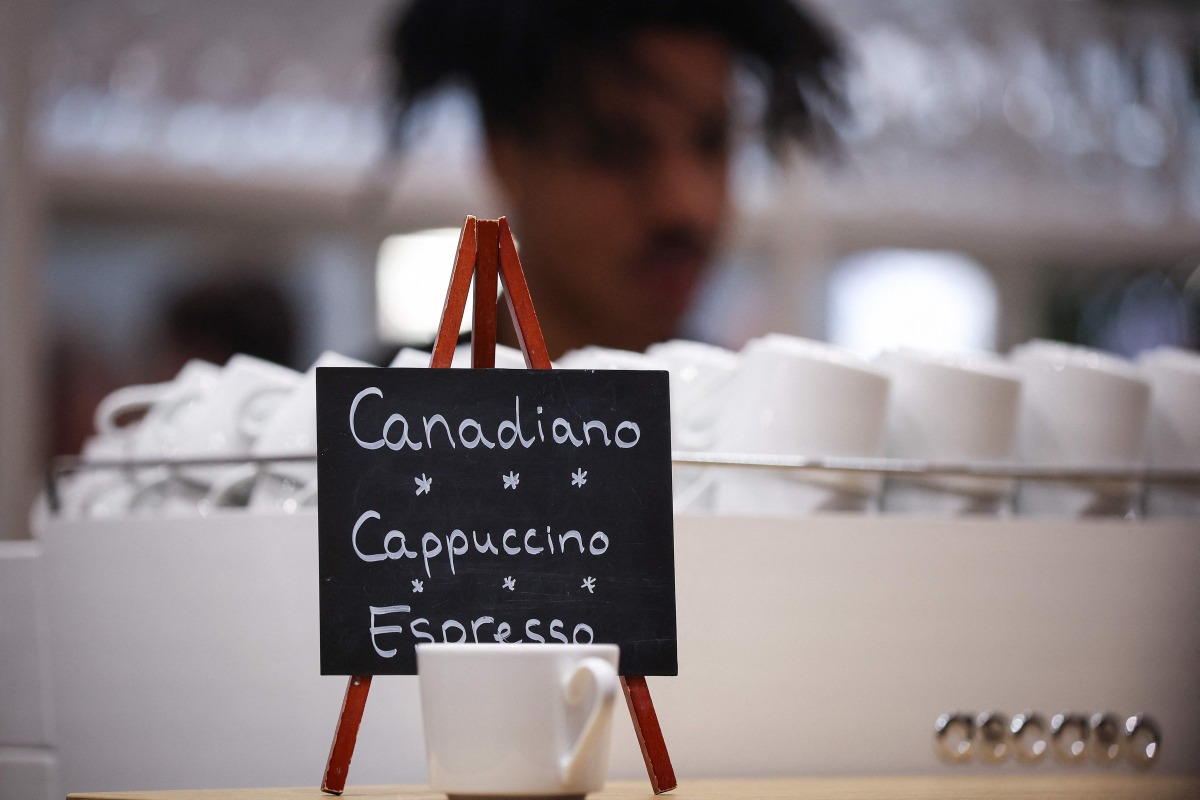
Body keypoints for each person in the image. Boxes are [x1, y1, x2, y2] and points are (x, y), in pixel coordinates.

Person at [387, 0, 844, 358]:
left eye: (711, 143)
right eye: (619, 151)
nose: (685, 204)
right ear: (505, 155)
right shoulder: (375, 428)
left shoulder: (755, 434)